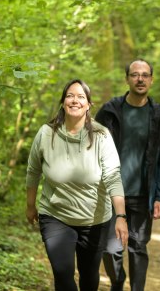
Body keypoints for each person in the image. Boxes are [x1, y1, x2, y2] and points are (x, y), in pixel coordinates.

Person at [26, 79, 128, 291]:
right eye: (70, 96)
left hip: (95, 219)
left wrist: (120, 216)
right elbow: (33, 170)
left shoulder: (101, 136)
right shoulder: (46, 133)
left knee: (89, 276)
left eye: (81, 97)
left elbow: (113, 176)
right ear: (63, 102)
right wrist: (30, 205)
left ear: (89, 104)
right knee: (62, 273)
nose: (75, 100)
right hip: (55, 215)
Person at [95, 59, 160, 291]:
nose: (140, 79)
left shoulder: (159, 115)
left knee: (138, 246)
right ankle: (117, 281)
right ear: (127, 78)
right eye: (135, 74)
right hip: (111, 193)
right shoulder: (110, 111)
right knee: (110, 249)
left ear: (151, 79)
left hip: (143, 194)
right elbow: (92, 149)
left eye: (145, 75)